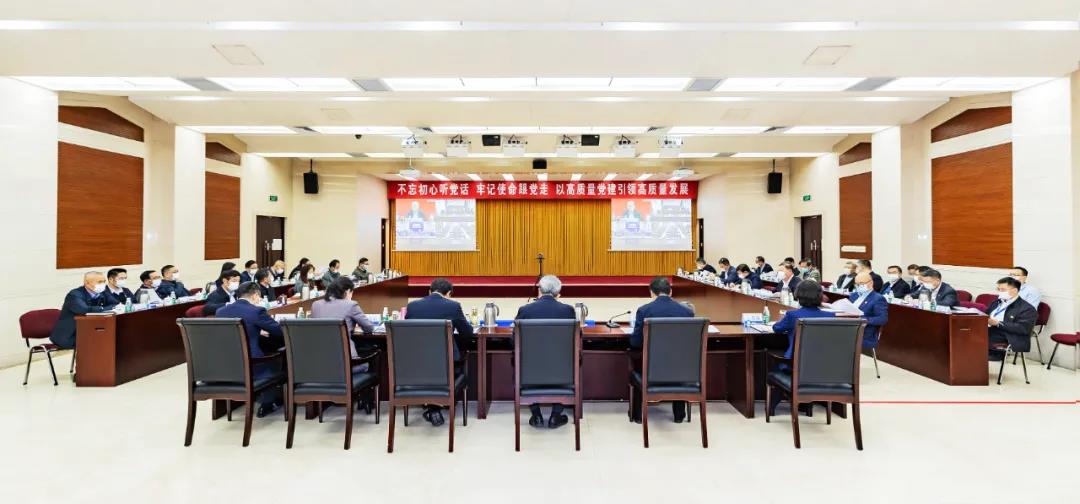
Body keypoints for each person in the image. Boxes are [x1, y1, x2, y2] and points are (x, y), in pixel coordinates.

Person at [404, 278, 474, 427]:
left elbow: (408, 331)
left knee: (429, 365)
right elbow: (467, 333)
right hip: (444, 363)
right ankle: (439, 403)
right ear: (448, 293)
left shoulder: (413, 306)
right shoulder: (453, 306)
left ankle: (432, 406)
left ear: (429, 291)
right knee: (457, 361)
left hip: (416, 364)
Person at [513, 275, 576, 429]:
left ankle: (536, 415)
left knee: (519, 361)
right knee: (570, 362)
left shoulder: (525, 310)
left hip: (530, 373)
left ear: (539, 290)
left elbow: (513, 341)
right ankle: (555, 415)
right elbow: (575, 341)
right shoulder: (568, 310)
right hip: (561, 373)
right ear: (558, 293)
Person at [629, 276, 695, 423]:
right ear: (670, 292)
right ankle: (679, 415)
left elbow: (635, 342)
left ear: (651, 292)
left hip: (651, 370)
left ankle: (638, 416)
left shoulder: (644, 310)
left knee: (637, 362)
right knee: (677, 364)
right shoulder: (687, 312)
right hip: (680, 371)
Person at [216, 282, 285, 417]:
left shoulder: (220, 311)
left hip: (228, 366)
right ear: (255, 295)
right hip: (253, 367)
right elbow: (280, 331)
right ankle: (268, 401)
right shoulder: (256, 311)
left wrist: (256, 331)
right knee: (280, 357)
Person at [768, 280, 836, 414]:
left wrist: (781, 320)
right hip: (822, 366)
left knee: (774, 362)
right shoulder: (830, 316)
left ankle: (772, 405)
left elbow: (777, 328)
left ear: (798, 296)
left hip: (795, 365)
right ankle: (805, 405)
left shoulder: (793, 315)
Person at [312, 276, 376, 359]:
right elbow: (369, 328)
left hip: (319, 357)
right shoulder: (351, 305)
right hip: (345, 360)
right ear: (348, 291)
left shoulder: (316, 304)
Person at [48, 272, 117, 349]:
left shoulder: (103, 292)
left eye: (104, 281)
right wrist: (102, 309)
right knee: (101, 342)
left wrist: (103, 309)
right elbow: (85, 310)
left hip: (89, 331)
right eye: (99, 282)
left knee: (111, 338)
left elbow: (115, 304)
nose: (103, 284)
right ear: (87, 283)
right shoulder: (74, 295)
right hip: (69, 335)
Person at [985, 277, 1038, 361]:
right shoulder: (997, 302)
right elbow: (986, 315)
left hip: (1009, 335)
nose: (999, 292)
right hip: (991, 329)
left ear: (1014, 291)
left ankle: (995, 354)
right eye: (998, 289)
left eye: (1003, 290)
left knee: (982, 336)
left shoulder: (1027, 308)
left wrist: (998, 323)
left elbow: (1023, 328)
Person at [848, 273, 889, 350]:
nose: (858, 286)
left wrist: (862, 320)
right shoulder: (854, 295)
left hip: (865, 332)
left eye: (861, 283)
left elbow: (883, 319)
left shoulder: (878, 298)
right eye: (856, 284)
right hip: (849, 327)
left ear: (871, 283)